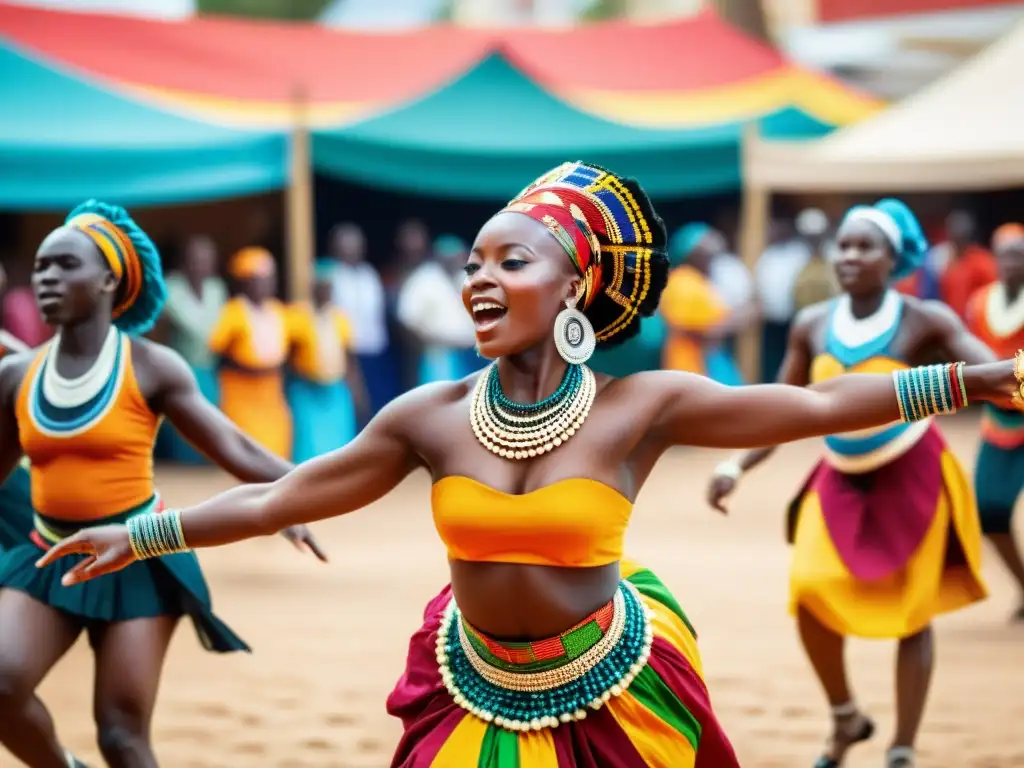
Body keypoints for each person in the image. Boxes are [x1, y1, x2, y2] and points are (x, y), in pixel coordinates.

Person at [37, 169, 1020, 768]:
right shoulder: (424, 417)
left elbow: (812, 406)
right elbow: (283, 496)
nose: (478, 279)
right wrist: (142, 531)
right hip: (470, 686)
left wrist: (970, 379)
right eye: (472, 264)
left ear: (576, 285)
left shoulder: (643, 408)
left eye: (508, 262)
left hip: (610, 683)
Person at [0, 201, 324, 768]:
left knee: (122, 738)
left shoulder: (151, 367)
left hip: (138, 561)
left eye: (66, 265)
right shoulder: (16, 378)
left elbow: (236, 447)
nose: (47, 278)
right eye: (42, 266)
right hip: (48, 556)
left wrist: (296, 496)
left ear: (108, 280)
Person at [705, 199, 997, 768]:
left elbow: (984, 368)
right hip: (838, 482)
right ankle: (846, 718)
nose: (850, 255)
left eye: (866, 247)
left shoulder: (925, 319)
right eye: (844, 244)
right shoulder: (812, 325)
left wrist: (1008, 377)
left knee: (913, 615)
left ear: (895, 259)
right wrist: (733, 466)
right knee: (811, 592)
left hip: (915, 478)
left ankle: (903, 748)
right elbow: (783, 410)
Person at [965, 222, 1024, 619]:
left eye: (1018, 254)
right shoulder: (979, 304)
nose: (1010, 262)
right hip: (999, 420)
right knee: (989, 508)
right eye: (1004, 254)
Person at [209, 247, 293, 459]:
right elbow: (218, 355)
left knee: (275, 448)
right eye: (257, 279)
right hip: (241, 392)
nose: (264, 284)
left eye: (268, 278)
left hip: (271, 392)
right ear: (243, 282)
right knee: (245, 450)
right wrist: (249, 368)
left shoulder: (278, 311)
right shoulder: (233, 311)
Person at [287, 259, 368, 463]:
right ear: (313, 288)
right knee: (308, 442)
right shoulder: (298, 315)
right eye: (321, 286)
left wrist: (357, 390)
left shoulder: (341, 318)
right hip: (307, 389)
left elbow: (349, 358)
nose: (325, 291)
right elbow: (288, 355)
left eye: (329, 287)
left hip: (335, 389)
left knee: (338, 442)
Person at [159, 234, 227, 464]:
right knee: (184, 440)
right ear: (184, 261)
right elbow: (166, 335)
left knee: (211, 439)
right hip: (181, 372)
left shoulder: (216, 289)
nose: (202, 265)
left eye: (208, 259)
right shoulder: (170, 289)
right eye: (196, 259)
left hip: (209, 373)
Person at [662, 224, 753, 385]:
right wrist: (743, 316)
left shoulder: (700, 281)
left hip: (710, 360)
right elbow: (701, 332)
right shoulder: (683, 282)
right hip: (691, 365)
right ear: (691, 253)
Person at [396, 235, 478, 385]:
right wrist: (424, 343)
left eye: (456, 255)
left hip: (472, 353)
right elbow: (407, 319)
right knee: (442, 397)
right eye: (448, 256)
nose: (453, 259)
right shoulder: (423, 279)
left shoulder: (468, 278)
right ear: (438, 256)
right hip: (439, 354)